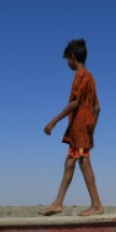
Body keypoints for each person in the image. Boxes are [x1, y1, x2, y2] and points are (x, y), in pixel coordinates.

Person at [41, 38, 104, 216]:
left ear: (73, 57)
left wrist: (53, 121)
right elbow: (97, 108)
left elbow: (75, 103)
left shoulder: (81, 76)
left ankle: (97, 205)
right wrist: (91, 131)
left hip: (80, 125)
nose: (67, 63)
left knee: (84, 162)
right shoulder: (91, 78)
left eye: (68, 59)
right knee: (70, 162)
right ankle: (58, 203)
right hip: (83, 128)